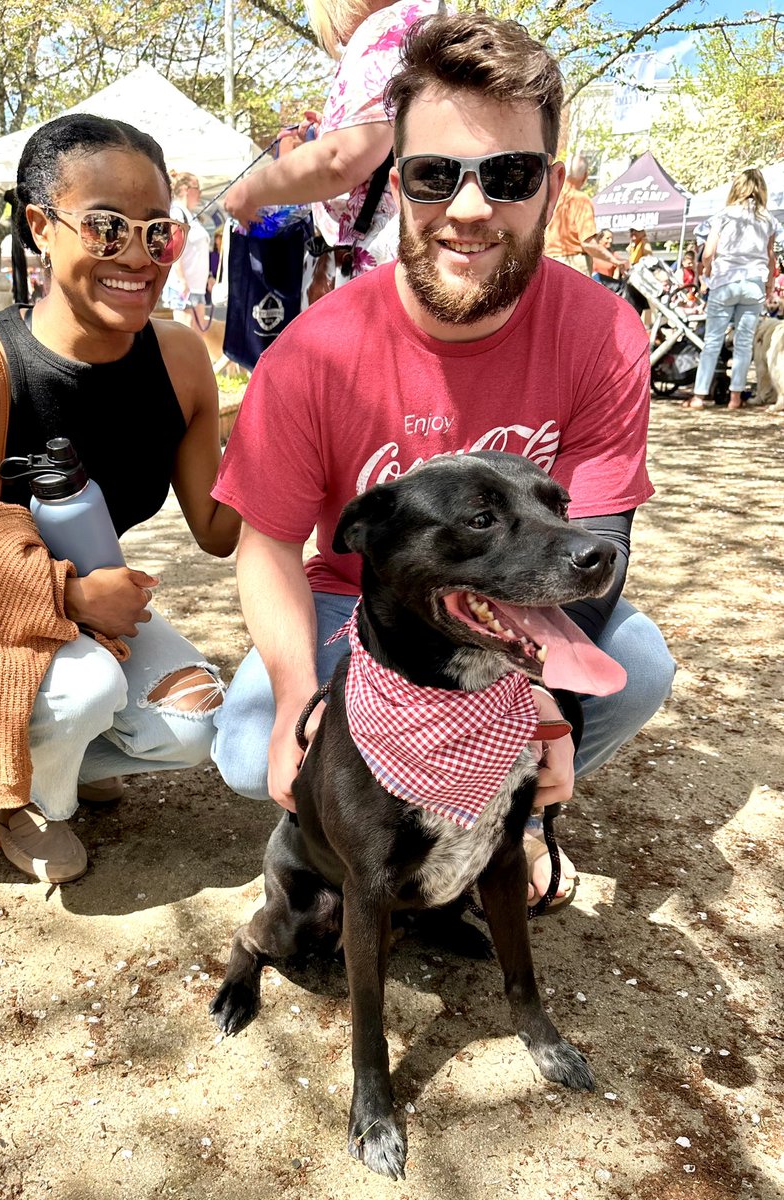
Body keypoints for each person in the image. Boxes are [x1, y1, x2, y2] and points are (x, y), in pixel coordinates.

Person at [211, 11, 675, 911]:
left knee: (638, 663)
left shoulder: (605, 332)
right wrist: (304, 699)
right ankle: (375, 817)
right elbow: (264, 545)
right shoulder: (312, 353)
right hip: (361, 600)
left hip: (516, 587)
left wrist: (537, 698)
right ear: (396, 184)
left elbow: (600, 536)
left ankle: (510, 812)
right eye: (434, 176)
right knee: (246, 741)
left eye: (509, 175)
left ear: (552, 185)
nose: (469, 209)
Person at [0, 115, 240, 883]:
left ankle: (58, 759)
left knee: (199, 718)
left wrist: (295, 435)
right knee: (88, 688)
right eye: (108, 229)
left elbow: (216, 529)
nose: (138, 257)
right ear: (43, 228)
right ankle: (17, 800)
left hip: (89, 615)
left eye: (158, 232)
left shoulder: (177, 359)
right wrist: (69, 596)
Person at [224, 0, 438, 299]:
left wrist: (247, 192)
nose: (338, 39)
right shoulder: (432, 21)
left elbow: (339, 160)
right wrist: (326, 130)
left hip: (390, 268)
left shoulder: (389, 28)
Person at [684, 168, 778, 410]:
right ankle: (736, 397)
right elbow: (770, 257)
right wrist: (768, 286)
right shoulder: (767, 219)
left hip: (725, 281)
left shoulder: (724, 215)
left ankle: (699, 396)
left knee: (713, 341)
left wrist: (706, 272)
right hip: (754, 283)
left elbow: (708, 252)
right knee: (744, 342)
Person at [543, 156, 626, 276]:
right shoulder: (581, 200)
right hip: (573, 265)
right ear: (585, 176)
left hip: (548, 261)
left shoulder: (551, 197)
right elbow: (588, 243)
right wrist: (615, 261)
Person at [162, 171, 212, 334]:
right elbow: (174, 249)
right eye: (197, 188)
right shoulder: (177, 212)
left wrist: (209, 277)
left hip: (197, 287)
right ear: (185, 189)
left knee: (197, 338)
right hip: (184, 287)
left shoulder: (191, 216)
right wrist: (182, 279)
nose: (200, 193)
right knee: (186, 338)